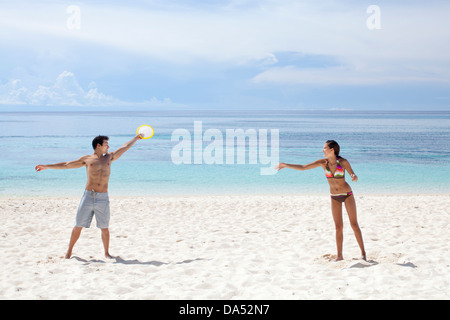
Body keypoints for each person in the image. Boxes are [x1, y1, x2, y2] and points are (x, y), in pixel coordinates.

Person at [35, 134, 143, 259]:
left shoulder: (109, 157)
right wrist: (46, 166)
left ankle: (106, 253)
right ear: (98, 146)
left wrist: (136, 138)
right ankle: (69, 252)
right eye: (106, 144)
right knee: (78, 225)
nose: (108, 146)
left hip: (103, 197)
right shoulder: (87, 159)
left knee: (104, 227)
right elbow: (66, 165)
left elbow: (125, 147)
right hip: (88, 196)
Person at [276, 140, 366, 261]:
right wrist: (286, 165)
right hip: (334, 197)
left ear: (331, 150)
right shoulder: (323, 163)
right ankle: (339, 256)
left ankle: (363, 254)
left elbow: (353, 175)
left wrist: (354, 177)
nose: (322, 150)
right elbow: (303, 167)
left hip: (347, 194)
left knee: (354, 225)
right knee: (338, 227)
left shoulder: (343, 162)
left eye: (324, 148)